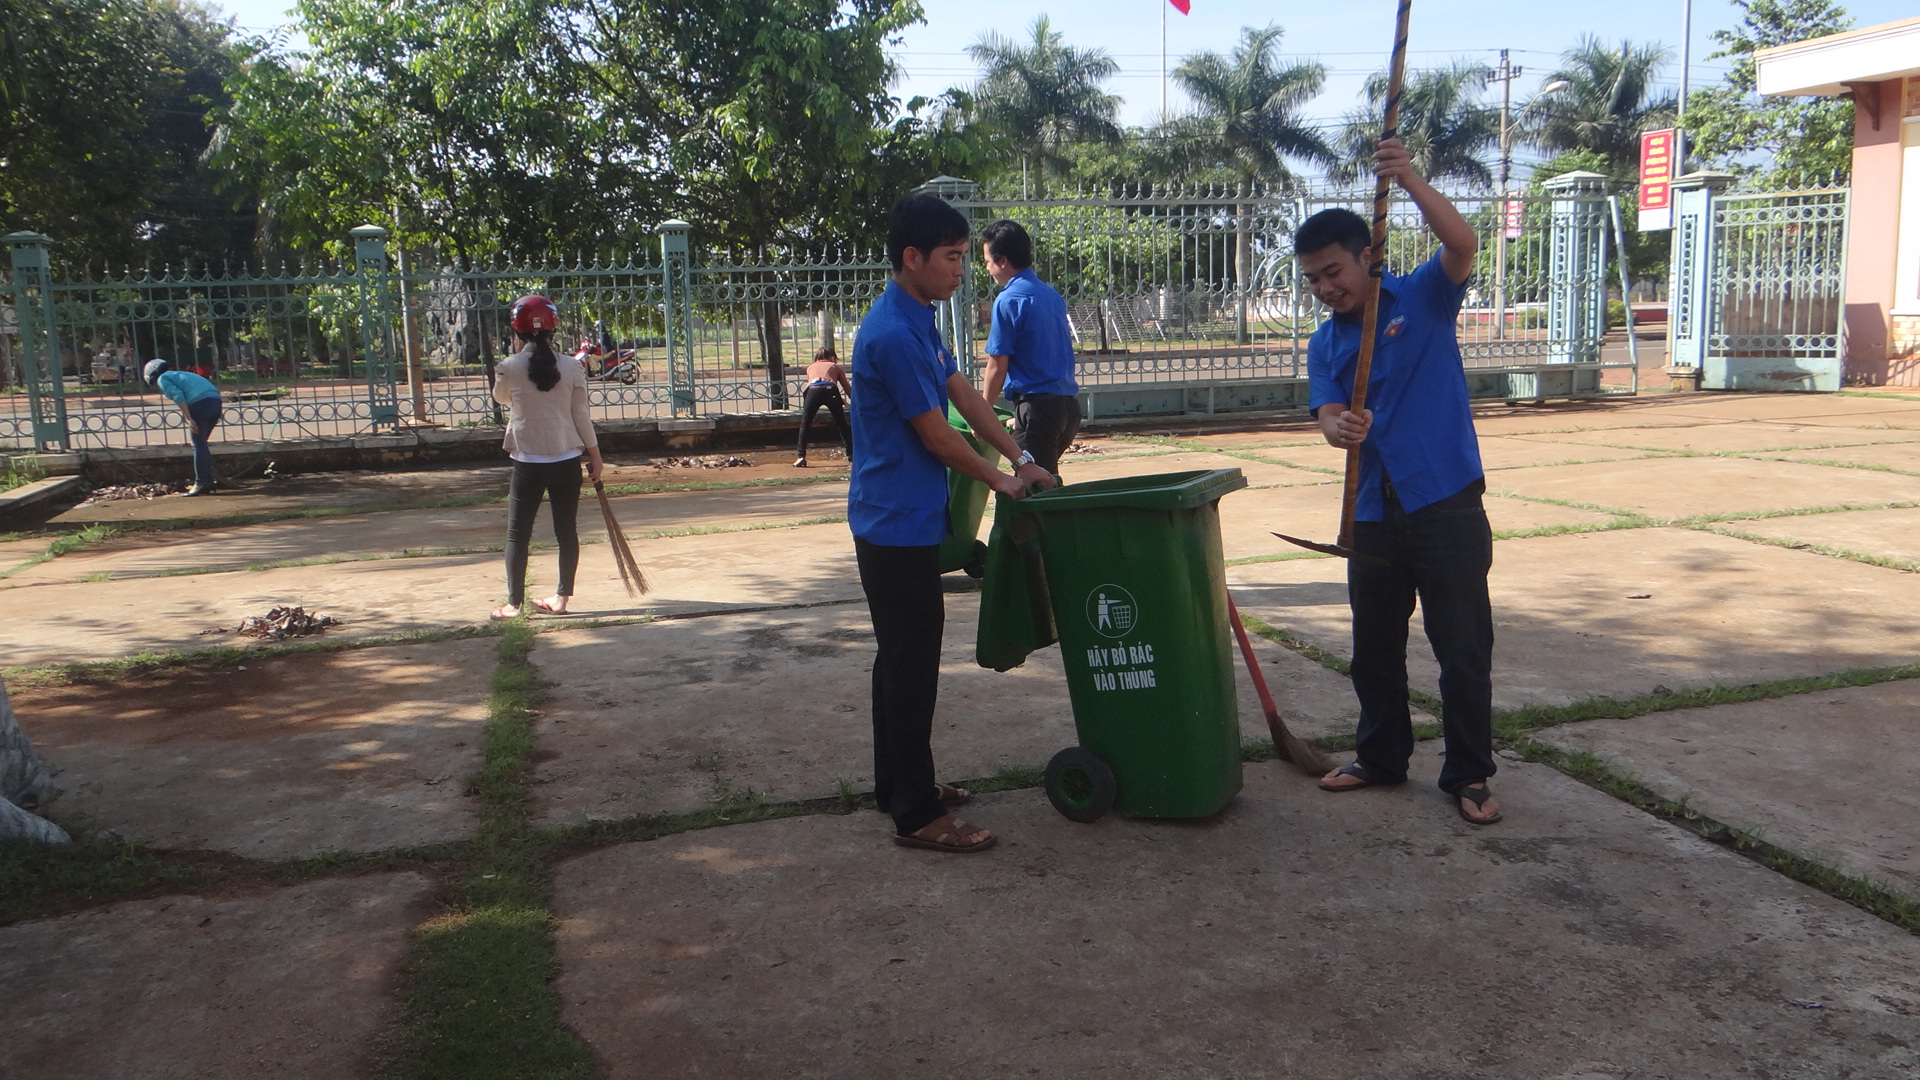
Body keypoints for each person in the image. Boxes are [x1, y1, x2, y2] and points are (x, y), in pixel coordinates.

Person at [1300, 137, 1501, 826]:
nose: (1328, 289)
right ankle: (1381, 757)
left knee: (1463, 648)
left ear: (1366, 255)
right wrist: (1335, 429)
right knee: (1373, 650)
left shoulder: (1423, 297)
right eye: (1314, 281)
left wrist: (1407, 176)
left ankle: (1469, 773)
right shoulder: (1326, 342)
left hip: (1444, 501)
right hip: (1373, 513)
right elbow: (1327, 408)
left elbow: (1464, 243)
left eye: (1335, 272)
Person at [851, 194, 1056, 854]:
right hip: (893, 524)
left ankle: (896, 785)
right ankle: (915, 813)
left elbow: (965, 395)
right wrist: (1001, 478)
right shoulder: (891, 333)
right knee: (911, 665)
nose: (961, 271)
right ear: (912, 258)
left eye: (967, 257)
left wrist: (1022, 454)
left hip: (904, 519)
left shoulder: (917, 320)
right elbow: (938, 437)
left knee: (900, 659)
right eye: (951, 258)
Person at [490, 294, 604, 621]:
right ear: (553, 327)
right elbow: (581, 415)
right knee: (566, 530)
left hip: (528, 462)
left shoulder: (509, 367)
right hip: (567, 460)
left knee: (517, 534)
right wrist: (595, 455)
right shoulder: (572, 366)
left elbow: (500, 398)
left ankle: (514, 605)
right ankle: (561, 599)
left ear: (517, 330)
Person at [980, 219, 1080, 475]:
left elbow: (997, 365)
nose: (988, 269)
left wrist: (983, 414)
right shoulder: (1050, 295)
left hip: (1038, 409)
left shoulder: (1009, 300)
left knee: (1033, 489)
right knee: (1042, 481)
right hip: (1067, 408)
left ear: (1002, 261)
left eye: (988, 262)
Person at [142, 359, 222, 496]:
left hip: (200, 404)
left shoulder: (163, 378)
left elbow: (178, 396)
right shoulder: (180, 374)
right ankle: (208, 479)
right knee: (202, 444)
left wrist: (189, 418)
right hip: (215, 402)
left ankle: (201, 482)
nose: (157, 385)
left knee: (198, 445)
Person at [794, 345, 852, 467]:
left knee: (805, 424)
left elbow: (812, 385)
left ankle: (801, 456)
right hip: (830, 390)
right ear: (831, 357)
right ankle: (850, 455)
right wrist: (856, 402)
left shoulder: (810, 367)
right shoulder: (835, 366)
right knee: (841, 423)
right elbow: (846, 388)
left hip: (812, 391)